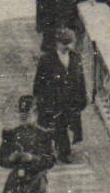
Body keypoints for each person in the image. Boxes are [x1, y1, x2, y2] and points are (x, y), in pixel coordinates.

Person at [33, 27, 87, 164]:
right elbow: (39, 82)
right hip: (53, 99)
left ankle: (63, 151)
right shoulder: (47, 60)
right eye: (64, 43)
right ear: (57, 43)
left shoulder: (75, 58)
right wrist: (40, 100)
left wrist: (82, 96)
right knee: (55, 126)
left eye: (69, 43)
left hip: (70, 99)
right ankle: (58, 151)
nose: (67, 46)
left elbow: (81, 79)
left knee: (67, 125)